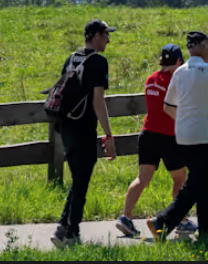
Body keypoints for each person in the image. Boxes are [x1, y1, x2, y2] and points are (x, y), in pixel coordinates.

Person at [146, 32, 208, 243]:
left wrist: (183, 120)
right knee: (196, 183)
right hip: (203, 135)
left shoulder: (179, 72)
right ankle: (162, 223)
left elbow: (167, 106)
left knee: (203, 181)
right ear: (200, 46)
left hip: (182, 137)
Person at [51, 20, 117, 249]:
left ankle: (63, 227)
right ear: (96, 36)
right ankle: (71, 233)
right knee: (81, 182)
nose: (109, 39)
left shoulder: (72, 57)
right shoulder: (98, 62)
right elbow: (99, 102)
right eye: (107, 35)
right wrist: (109, 134)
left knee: (78, 178)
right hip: (84, 127)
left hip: (65, 126)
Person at [117, 45, 194, 240]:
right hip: (168, 136)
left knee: (142, 179)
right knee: (179, 179)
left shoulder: (151, 79)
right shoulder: (176, 81)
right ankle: (182, 221)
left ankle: (125, 217)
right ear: (178, 62)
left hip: (147, 134)